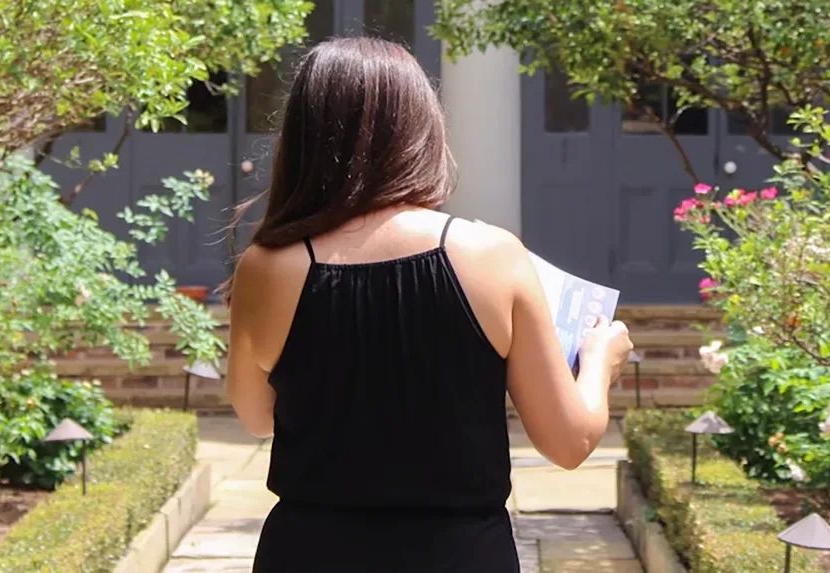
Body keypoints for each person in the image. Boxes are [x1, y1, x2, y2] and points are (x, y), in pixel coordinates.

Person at [226, 36, 634, 573]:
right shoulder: (490, 256)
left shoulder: (265, 267)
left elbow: (257, 417)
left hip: (308, 552)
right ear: (422, 129)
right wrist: (600, 356)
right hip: (460, 554)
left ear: (302, 135)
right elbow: (569, 441)